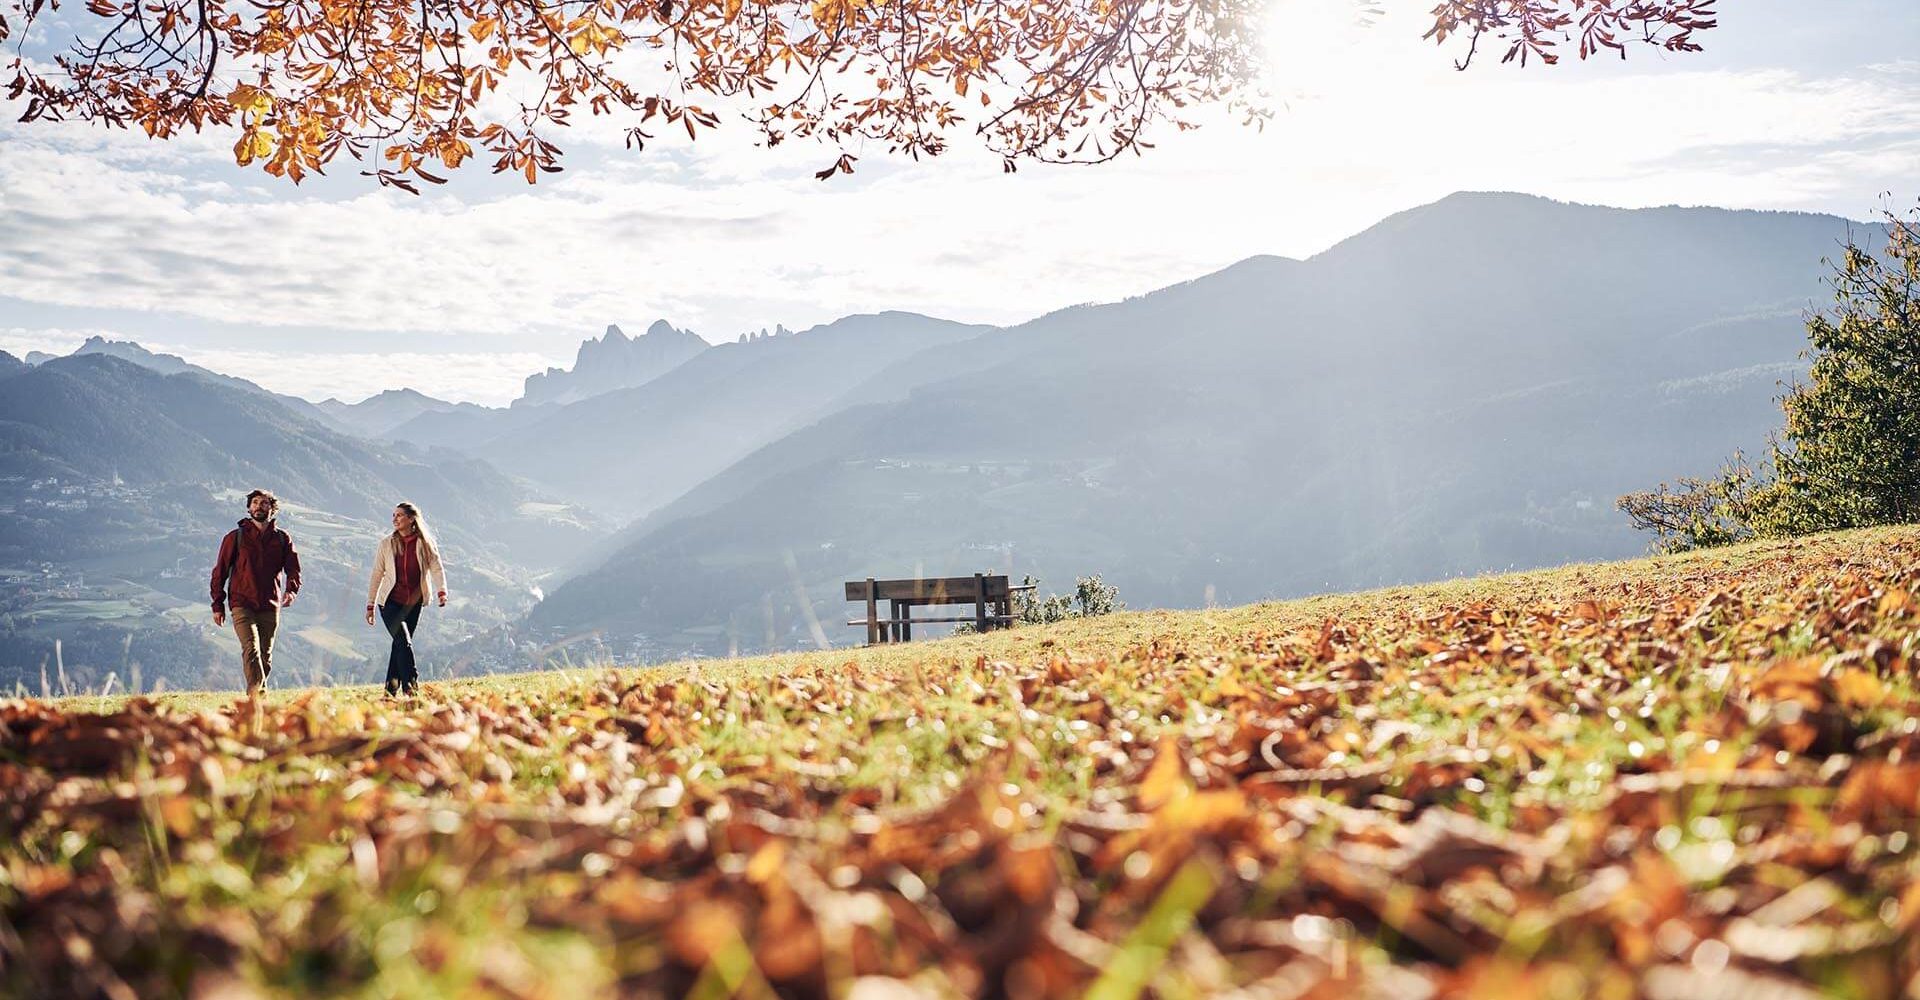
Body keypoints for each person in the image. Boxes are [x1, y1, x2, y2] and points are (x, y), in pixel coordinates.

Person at [210, 489, 301, 696]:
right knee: (251, 649)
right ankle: (257, 701)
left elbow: (293, 568)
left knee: (265, 656)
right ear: (249, 508)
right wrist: (218, 605)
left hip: (270, 604)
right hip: (242, 603)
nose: (259, 506)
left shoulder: (282, 539)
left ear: (272, 508)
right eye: (255, 502)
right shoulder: (235, 538)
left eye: (264, 503)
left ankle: (257, 698)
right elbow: (220, 572)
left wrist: (291, 591)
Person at [365, 501, 448, 696]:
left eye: (399, 515)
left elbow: (436, 567)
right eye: (393, 515)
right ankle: (411, 688)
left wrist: (441, 590)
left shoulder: (425, 543)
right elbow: (377, 573)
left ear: (411, 519)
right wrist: (370, 603)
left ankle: (389, 693)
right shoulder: (386, 544)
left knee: (399, 645)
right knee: (404, 642)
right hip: (390, 603)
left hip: (413, 604)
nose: (394, 519)